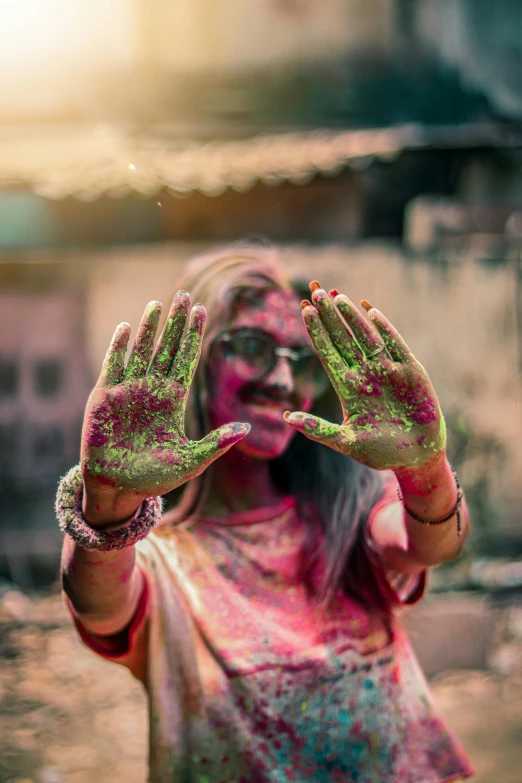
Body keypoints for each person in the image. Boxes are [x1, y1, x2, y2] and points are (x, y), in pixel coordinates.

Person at [58, 243, 474, 782]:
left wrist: (426, 472)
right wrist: (109, 505)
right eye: (253, 346)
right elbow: (96, 601)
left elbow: (432, 543)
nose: (282, 378)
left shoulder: (346, 507)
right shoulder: (156, 557)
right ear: (197, 361)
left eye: (302, 360)